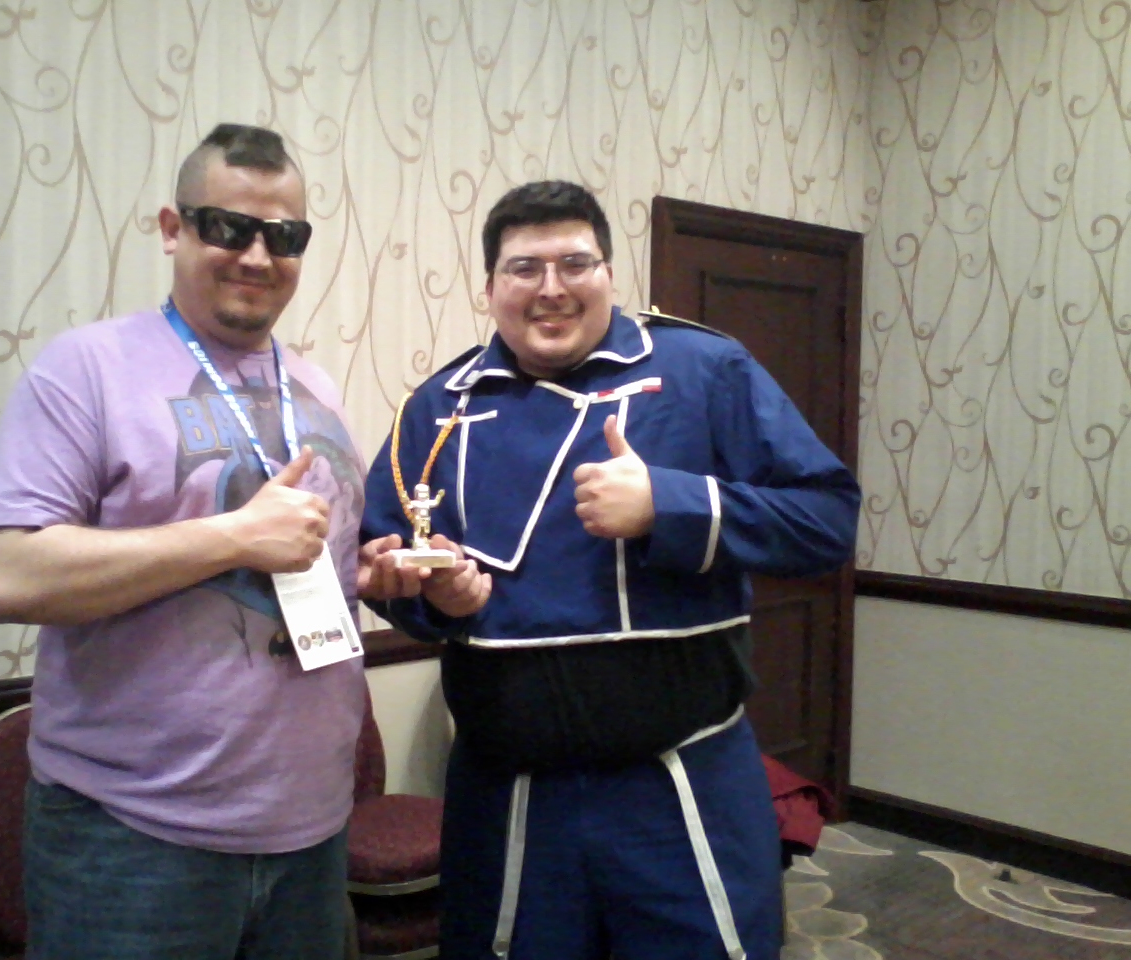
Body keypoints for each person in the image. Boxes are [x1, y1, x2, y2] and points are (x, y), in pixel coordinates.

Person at [357, 180, 861, 960]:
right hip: (508, 796)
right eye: (524, 268)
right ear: (489, 287)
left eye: (574, 263)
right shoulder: (435, 409)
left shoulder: (704, 369)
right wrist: (436, 601)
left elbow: (828, 521)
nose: (551, 288)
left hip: (682, 785)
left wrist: (671, 504)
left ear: (610, 274)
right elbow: (391, 562)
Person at [0, 123, 367, 960]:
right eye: (228, 227)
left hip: (312, 827)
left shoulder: (316, 386)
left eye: (284, 236)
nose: (257, 256)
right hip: (134, 841)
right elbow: (9, 577)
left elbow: (312, 564)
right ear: (170, 228)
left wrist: (381, 571)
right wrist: (232, 536)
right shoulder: (84, 369)